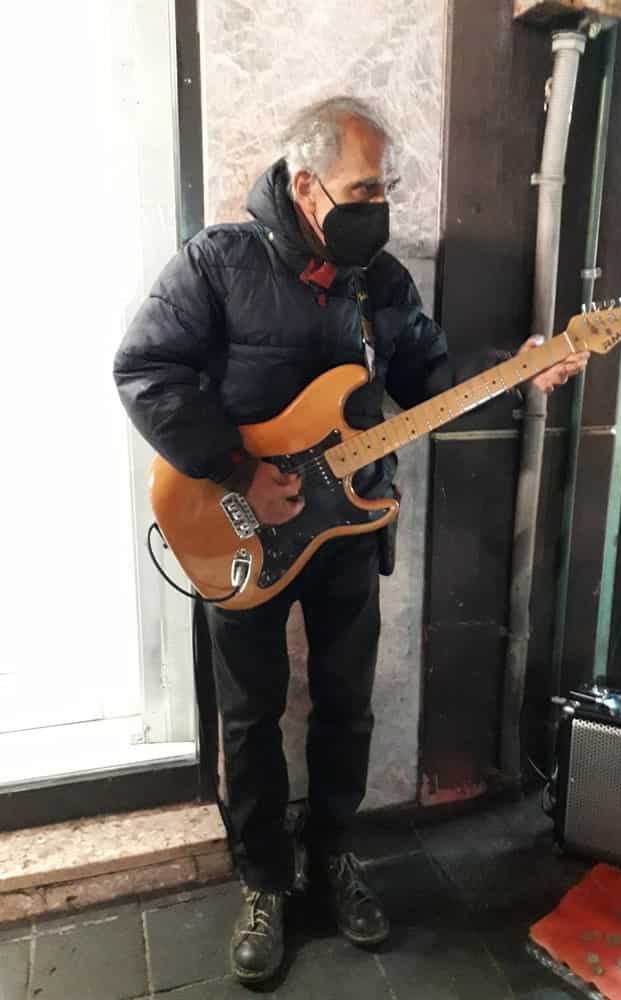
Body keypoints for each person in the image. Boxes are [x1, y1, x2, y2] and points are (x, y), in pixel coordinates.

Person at [113, 95, 588, 987]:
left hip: (347, 531)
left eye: (389, 187)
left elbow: (430, 376)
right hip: (237, 528)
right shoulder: (218, 264)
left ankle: (331, 855)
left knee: (347, 705)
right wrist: (237, 470)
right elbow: (144, 369)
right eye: (365, 187)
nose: (383, 204)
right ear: (304, 185)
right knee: (250, 715)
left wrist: (526, 368)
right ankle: (261, 879)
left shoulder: (383, 283)